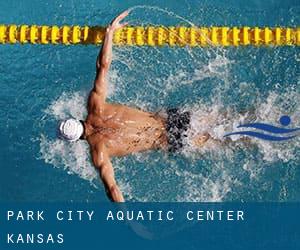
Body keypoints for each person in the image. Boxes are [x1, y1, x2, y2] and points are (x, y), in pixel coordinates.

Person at [58, 11, 210, 202]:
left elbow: (112, 189)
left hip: (171, 140)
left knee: (228, 141)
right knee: (226, 118)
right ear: (76, 119)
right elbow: (103, 66)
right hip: (172, 118)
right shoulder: (95, 105)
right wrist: (109, 33)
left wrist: (129, 221)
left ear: (76, 140)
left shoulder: (99, 152)